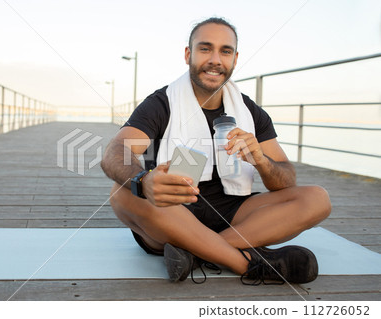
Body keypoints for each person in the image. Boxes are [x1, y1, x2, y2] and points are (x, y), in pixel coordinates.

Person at [101, 17, 331, 285]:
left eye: (225, 51)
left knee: (317, 198)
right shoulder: (161, 103)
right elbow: (115, 152)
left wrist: (261, 161)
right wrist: (145, 180)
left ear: (234, 59)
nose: (215, 60)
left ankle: (198, 252)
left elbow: (287, 180)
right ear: (188, 55)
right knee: (122, 192)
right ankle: (248, 264)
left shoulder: (249, 111)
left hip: (233, 214)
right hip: (173, 211)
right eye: (205, 48)